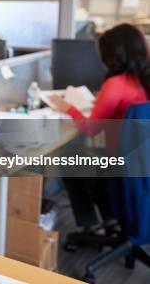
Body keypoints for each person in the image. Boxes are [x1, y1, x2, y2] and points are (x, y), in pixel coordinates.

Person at [51, 23, 149, 232]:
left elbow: (90, 128)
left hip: (121, 166)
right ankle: (110, 216)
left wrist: (67, 107)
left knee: (69, 156)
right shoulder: (143, 78)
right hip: (141, 165)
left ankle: (91, 223)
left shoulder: (116, 83)